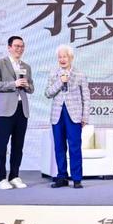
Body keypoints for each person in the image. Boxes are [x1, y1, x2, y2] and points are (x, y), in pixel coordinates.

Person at [0, 36, 34, 190]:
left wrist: (26, 85)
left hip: (22, 110)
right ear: (9, 47)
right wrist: (13, 84)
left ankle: (14, 175)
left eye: (22, 46)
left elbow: (31, 88)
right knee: (2, 144)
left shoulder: (26, 66)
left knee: (18, 145)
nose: (19, 49)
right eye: (16, 46)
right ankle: (0, 178)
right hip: (5, 111)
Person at [45, 44, 90, 189]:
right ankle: (62, 177)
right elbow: (48, 93)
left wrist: (85, 117)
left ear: (71, 57)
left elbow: (86, 97)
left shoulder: (80, 74)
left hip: (74, 115)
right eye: (60, 57)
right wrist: (60, 81)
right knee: (59, 147)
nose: (62, 59)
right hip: (57, 115)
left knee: (75, 146)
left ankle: (77, 178)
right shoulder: (53, 73)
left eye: (64, 56)